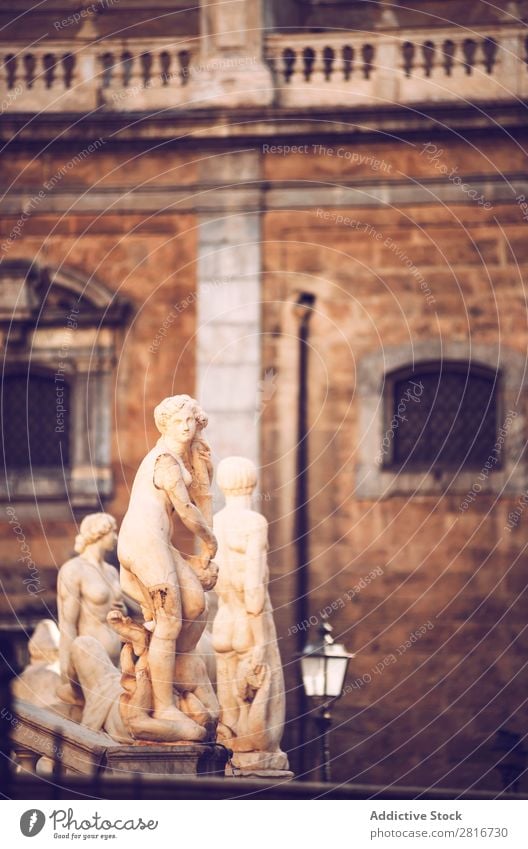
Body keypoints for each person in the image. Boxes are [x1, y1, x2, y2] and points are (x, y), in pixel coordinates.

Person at [117, 394, 218, 726]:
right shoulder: (165, 460)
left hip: (158, 543)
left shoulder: (183, 457)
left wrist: (204, 464)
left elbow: (201, 496)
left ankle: (167, 667)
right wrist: (210, 540)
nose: (187, 428)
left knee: (195, 605)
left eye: (192, 421)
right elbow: (187, 510)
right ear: (165, 425)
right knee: (170, 619)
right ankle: (163, 707)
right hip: (143, 541)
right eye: (179, 422)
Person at [57, 513, 126, 706]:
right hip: (90, 661)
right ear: (99, 533)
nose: (115, 537)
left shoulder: (112, 571)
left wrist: (123, 612)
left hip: (116, 660)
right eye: (113, 532)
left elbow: (120, 614)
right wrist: (66, 667)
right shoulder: (73, 569)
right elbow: (68, 622)